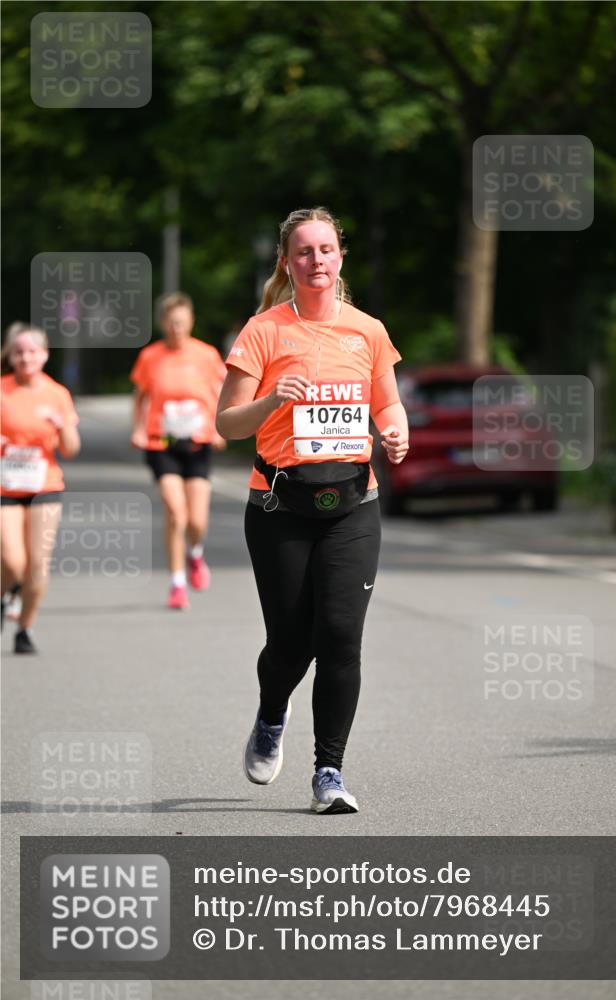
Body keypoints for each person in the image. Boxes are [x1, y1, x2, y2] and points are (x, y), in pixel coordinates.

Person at [216, 207, 409, 814]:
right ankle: (272, 714)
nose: (316, 260)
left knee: (342, 637)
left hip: (354, 503)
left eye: (326, 249)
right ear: (287, 262)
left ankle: (329, 771)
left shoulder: (367, 331)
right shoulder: (264, 330)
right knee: (291, 643)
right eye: (304, 252)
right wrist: (274, 398)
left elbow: (390, 408)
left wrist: (397, 433)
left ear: (340, 257)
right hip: (279, 504)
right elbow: (226, 423)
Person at [130, 293, 227, 610]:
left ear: (191, 321)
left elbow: (221, 394)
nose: (177, 329)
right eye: (172, 323)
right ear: (162, 324)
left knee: (196, 521)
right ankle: (177, 583)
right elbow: (141, 396)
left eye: (182, 323)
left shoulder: (207, 355)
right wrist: (138, 428)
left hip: (198, 443)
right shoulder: (151, 357)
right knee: (176, 512)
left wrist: (218, 429)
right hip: (163, 443)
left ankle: (195, 554)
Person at [1, 323, 80, 653]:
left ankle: (25, 628)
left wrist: (62, 428)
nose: (26, 357)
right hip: (5, 485)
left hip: (44, 484)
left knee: (38, 565)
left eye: (32, 351)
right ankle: (7, 593)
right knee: (12, 561)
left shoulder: (57, 394)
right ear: (10, 355)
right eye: (19, 352)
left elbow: (72, 449)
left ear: (44, 355)